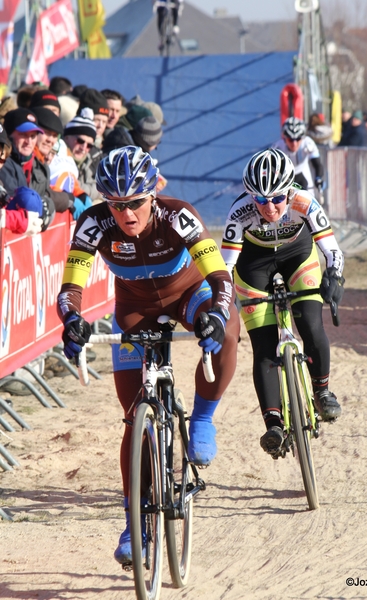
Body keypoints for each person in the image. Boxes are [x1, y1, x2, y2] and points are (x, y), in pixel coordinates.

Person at [56, 145, 239, 565]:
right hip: (134, 312)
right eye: (117, 205)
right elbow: (71, 287)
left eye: (136, 203)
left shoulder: (178, 215)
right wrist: (72, 320)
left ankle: (203, 418)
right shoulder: (93, 224)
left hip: (189, 296)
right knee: (134, 418)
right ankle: (135, 522)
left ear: (152, 195)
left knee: (228, 330)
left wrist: (216, 314)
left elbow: (218, 276)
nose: (127, 214)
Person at [221, 148, 344, 460]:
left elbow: (331, 249)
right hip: (254, 265)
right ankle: (273, 423)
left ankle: (322, 391)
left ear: (290, 190)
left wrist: (334, 277)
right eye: (260, 200)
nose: (269, 206)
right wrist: (225, 301)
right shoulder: (239, 212)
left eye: (277, 198)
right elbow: (225, 267)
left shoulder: (304, 202)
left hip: (296, 255)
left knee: (312, 327)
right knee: (263, 346)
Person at [272, 116, 324, 197]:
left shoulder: (308, 143)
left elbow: (317, 164)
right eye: (290, 140)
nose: (294, 143)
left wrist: (319, 178)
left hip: (303, 171)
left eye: (298, 139)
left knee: (308, 199)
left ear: (303, 138)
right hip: (286, 176)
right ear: (285, 138)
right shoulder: (278, 147)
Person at [63, 108, 102, 202]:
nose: (83, 148)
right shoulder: (58, 157)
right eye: (80, 141)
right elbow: (69, 186)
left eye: (89, 145)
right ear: (67, 137)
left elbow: (102, 189)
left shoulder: (90, 161)